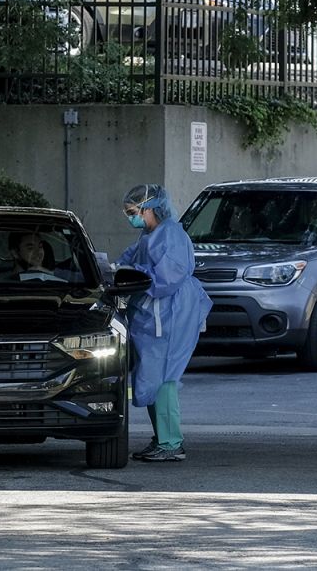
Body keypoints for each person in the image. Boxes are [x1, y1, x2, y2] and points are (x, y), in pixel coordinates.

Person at [117, 183, 212, 463]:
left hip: (167, 315)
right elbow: (131, 260)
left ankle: (171, 443)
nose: (130, 217)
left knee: (163, 379)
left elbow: (167, 278)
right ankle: (163, 439)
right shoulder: (150, 234)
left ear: (149, 208)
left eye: (133, 212)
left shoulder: (170, 234)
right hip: (154, 315)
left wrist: (133, 274)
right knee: (152, 377)